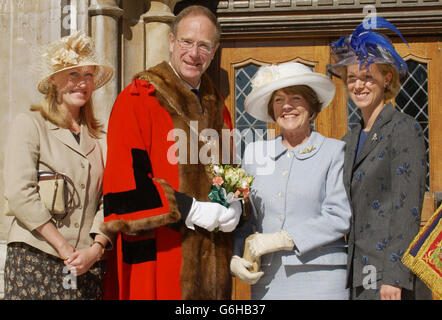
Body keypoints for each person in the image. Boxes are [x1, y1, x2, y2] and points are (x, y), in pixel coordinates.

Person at [101, 5, 241, 300]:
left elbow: (230, 171)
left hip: (213, 261)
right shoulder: (137, 98)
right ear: (171, 42)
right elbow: (124, 187)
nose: (194, 53)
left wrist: (237, 201)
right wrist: (190, 209)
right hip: (162, 258)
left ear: (214, 52)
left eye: (204, 45)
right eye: (187, 42)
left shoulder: (219, 107)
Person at [3, 31, 114, 299]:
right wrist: (64, 248)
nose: (82, 83)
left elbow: (109, 199)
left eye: (88, 75)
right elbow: (20, 195)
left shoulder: (101, 139)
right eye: (73, 74)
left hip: (86, 268)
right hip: (35, 262)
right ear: (54, 79)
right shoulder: (30, 124)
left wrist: (96, 248)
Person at [329, 17, 432, 300]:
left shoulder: (403, 128)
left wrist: (394, 277)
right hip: (358, 273)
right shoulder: (349, 140)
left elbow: (407, 207)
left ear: (387, 79)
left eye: (367, 77)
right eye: (352, 78)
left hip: (390, 279)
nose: (359, 85)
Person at [230, 62, 352, 299]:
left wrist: (283, 239)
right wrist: (235, 256)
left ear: (311, 105)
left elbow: (338, 215)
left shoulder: (335, 152)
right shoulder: (255, 154)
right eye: (278, 100)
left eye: (296, 98)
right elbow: (244, 218)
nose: (287, 106)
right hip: (268, 280)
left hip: (324, 278)